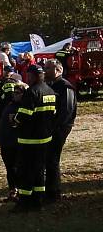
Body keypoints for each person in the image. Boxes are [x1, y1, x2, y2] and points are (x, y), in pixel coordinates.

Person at [11, 65, 56, 213]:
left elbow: (24, 115)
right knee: (39, 171)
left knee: (25, 171)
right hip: (45, 138)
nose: (27, 78)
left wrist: (14, 120)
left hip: (29, 140)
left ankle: (24, 202)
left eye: (28, 76)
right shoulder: (50, 91)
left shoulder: (32, 92)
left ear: (33, 76)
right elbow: (53, 113)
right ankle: (38, 200)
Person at [45, 59, 77, 203]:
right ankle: (50, 189)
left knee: (52, 159)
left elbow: (67, 110)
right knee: (48, 159)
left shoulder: (65, 86)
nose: (45, 71)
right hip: (51, 128)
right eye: (45, 68)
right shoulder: (51, 85)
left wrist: (56, 127)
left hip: (59, 129)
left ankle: (54, 192)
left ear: (59, 70)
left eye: (48, 68)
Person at [0, 82, 27, 201]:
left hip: (16, 143)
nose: (15, 95)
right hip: (5, 142)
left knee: (17, 168)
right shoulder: (10, 104)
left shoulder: (23, 107)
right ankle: (12, 191)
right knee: (9, 168)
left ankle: (20, 191)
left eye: (18, 93)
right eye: (14, 92)